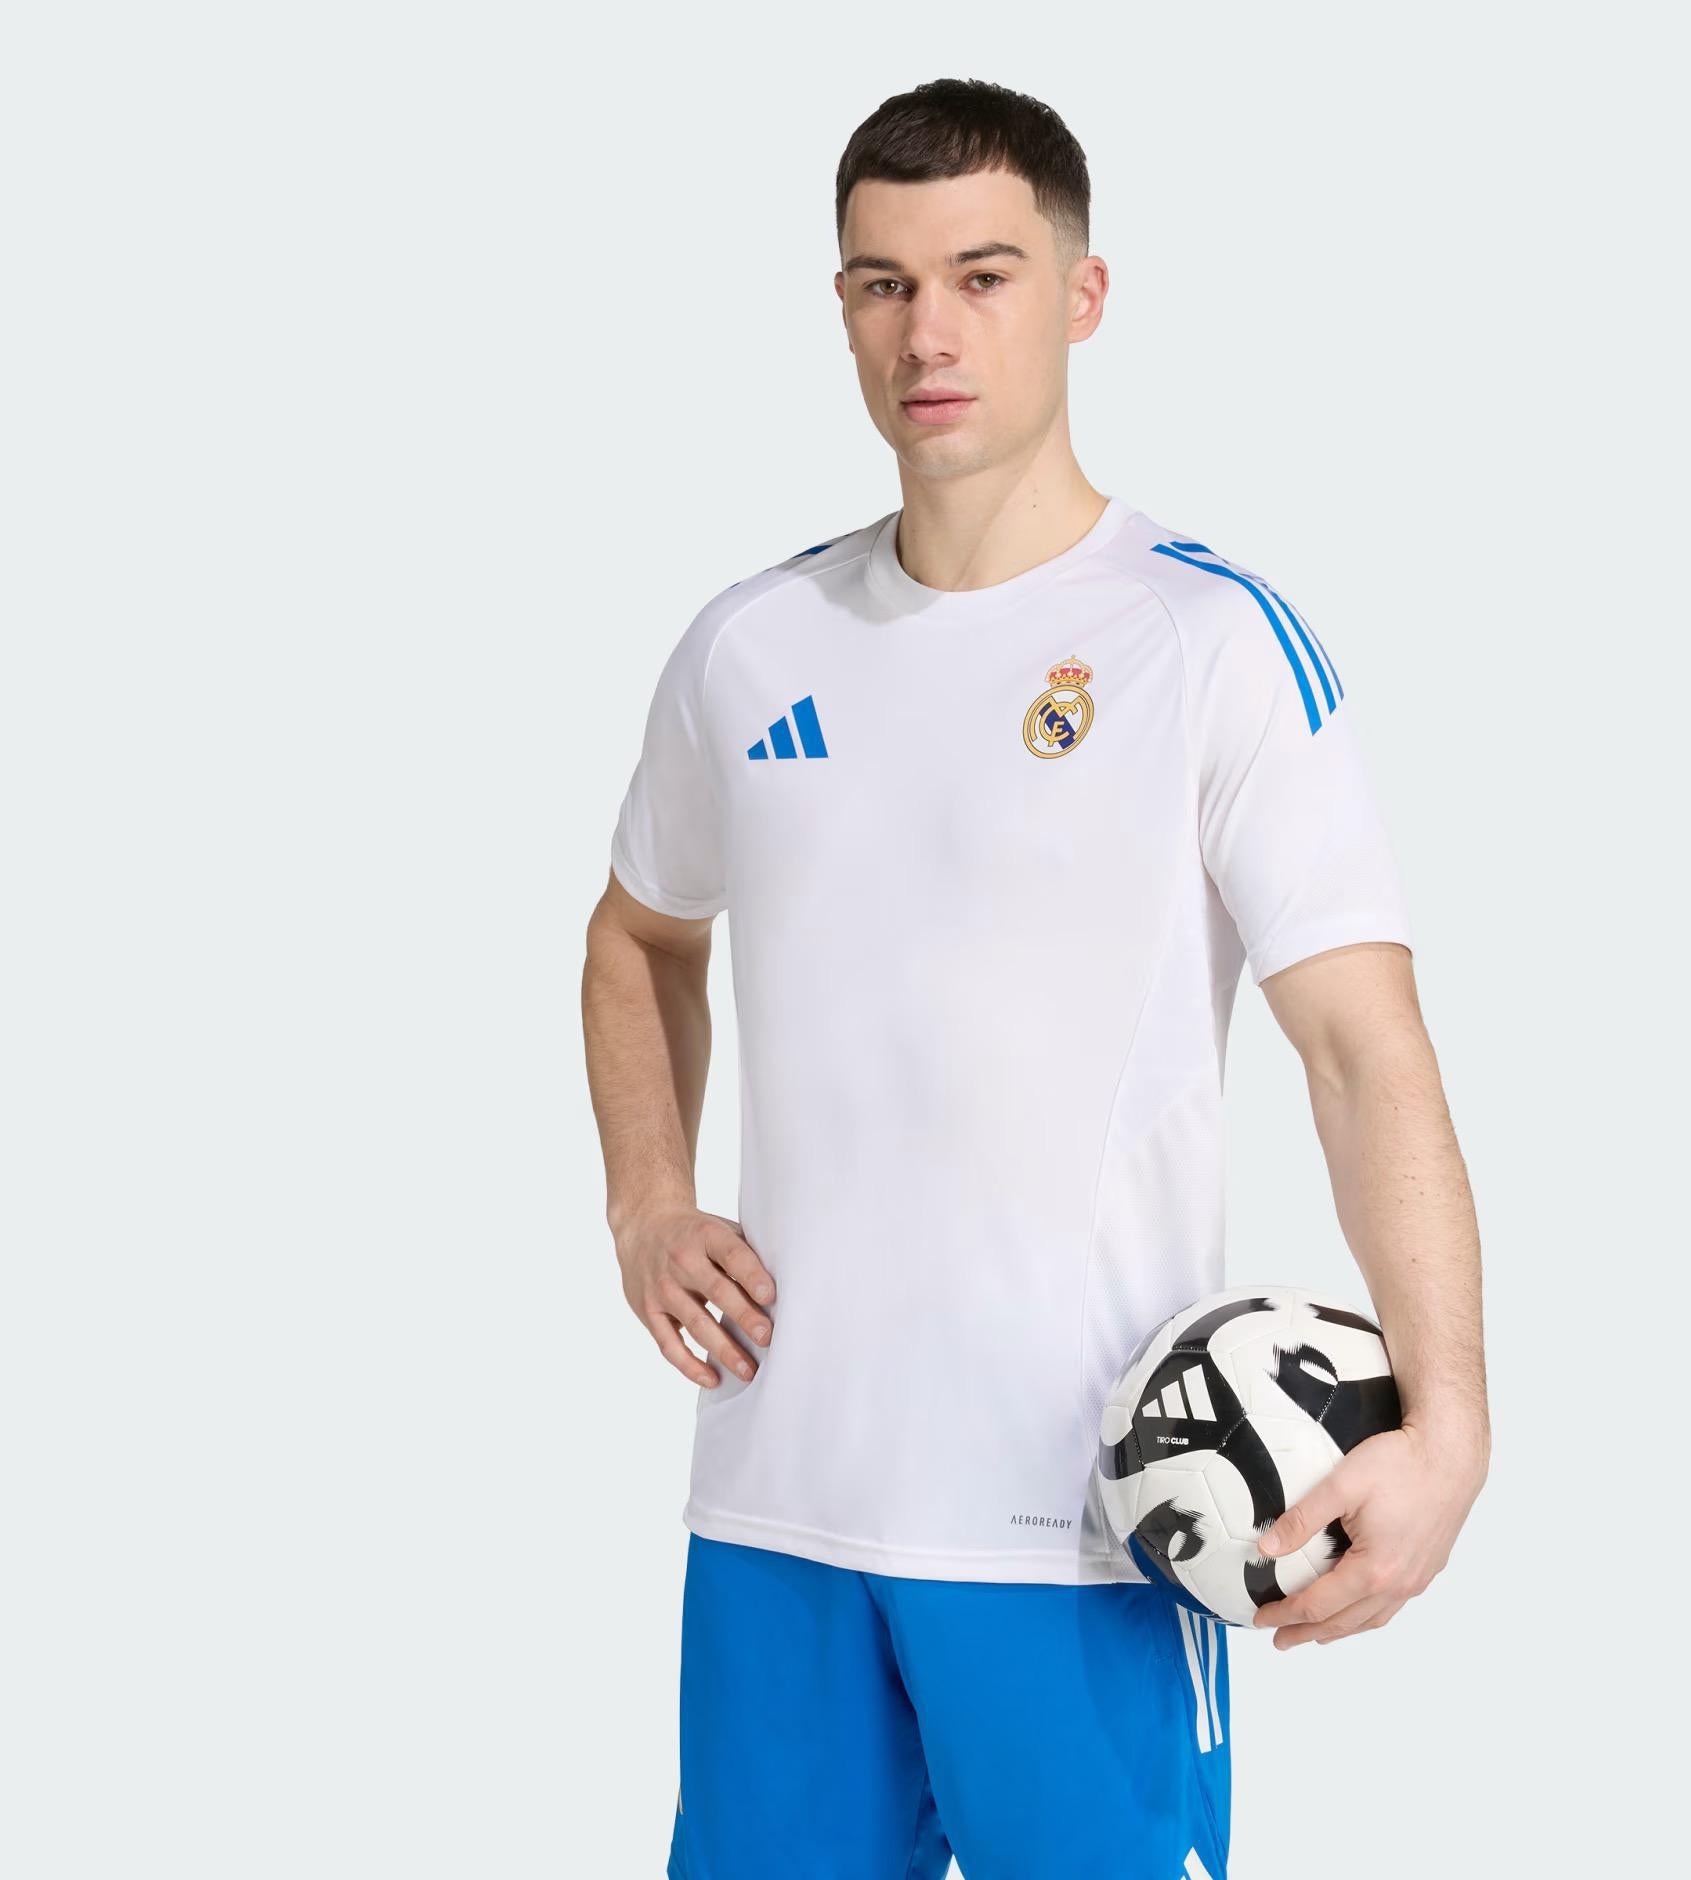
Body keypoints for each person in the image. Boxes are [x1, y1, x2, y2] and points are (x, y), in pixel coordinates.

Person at [581, 76, 1489, 1880]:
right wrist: (647, 1202)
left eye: (983, 277)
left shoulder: (1207, 641)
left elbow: (1362, 1053)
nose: (929, 333)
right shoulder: (750, 645)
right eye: (884, 284)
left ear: (1082, 295)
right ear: (843, 306)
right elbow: (638, 935)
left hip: (1081, 1526)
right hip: (777, 1515)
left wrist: (1448, 1422)